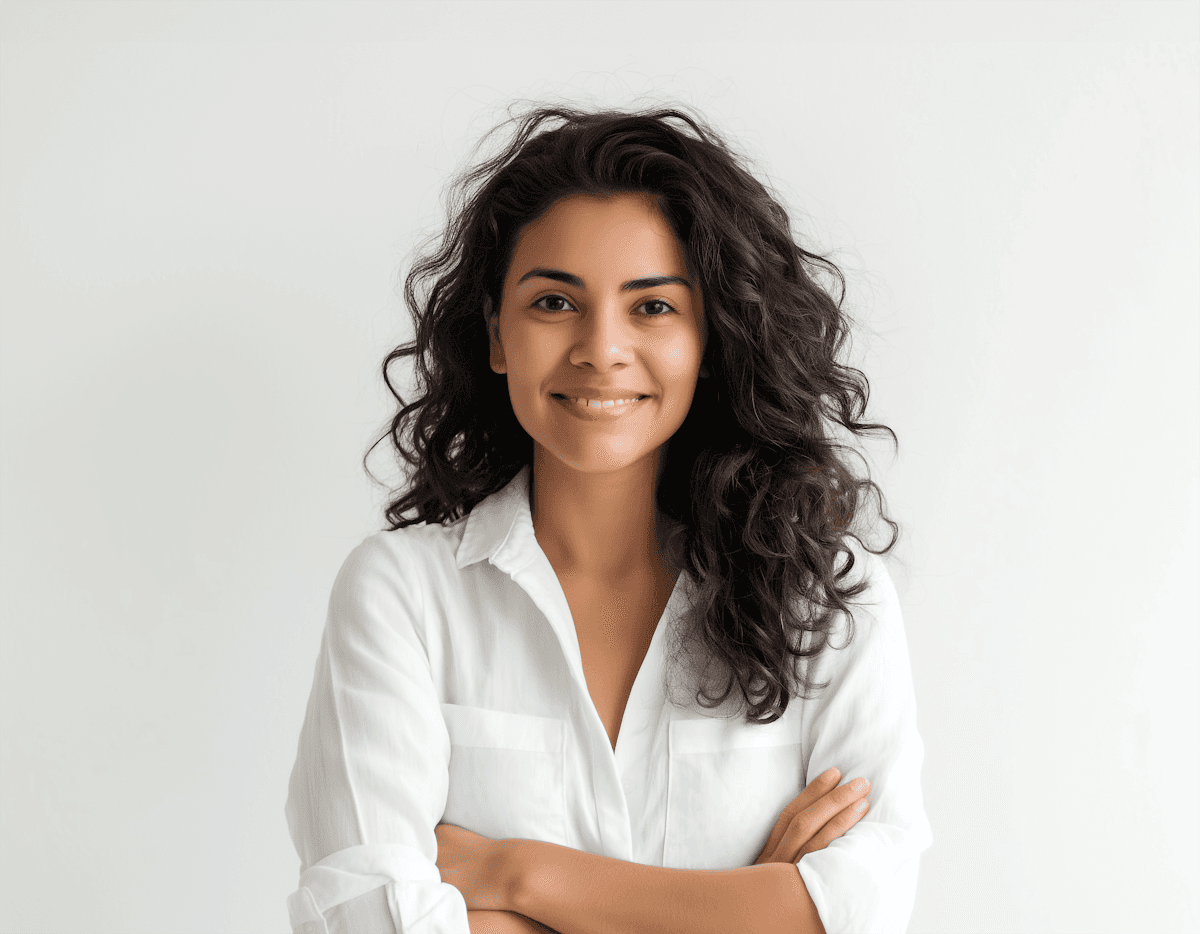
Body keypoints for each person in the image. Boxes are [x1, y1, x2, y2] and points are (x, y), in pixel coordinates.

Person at [285, 105, 931, 934]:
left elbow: (867, 911)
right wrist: (746, 906)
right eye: (555, 301)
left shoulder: (826, 600)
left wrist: (522, 876)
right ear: (497, 337)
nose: (601, 348)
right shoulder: (401, 595)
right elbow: (366, 919)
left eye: (652, 307)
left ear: (710, 339)